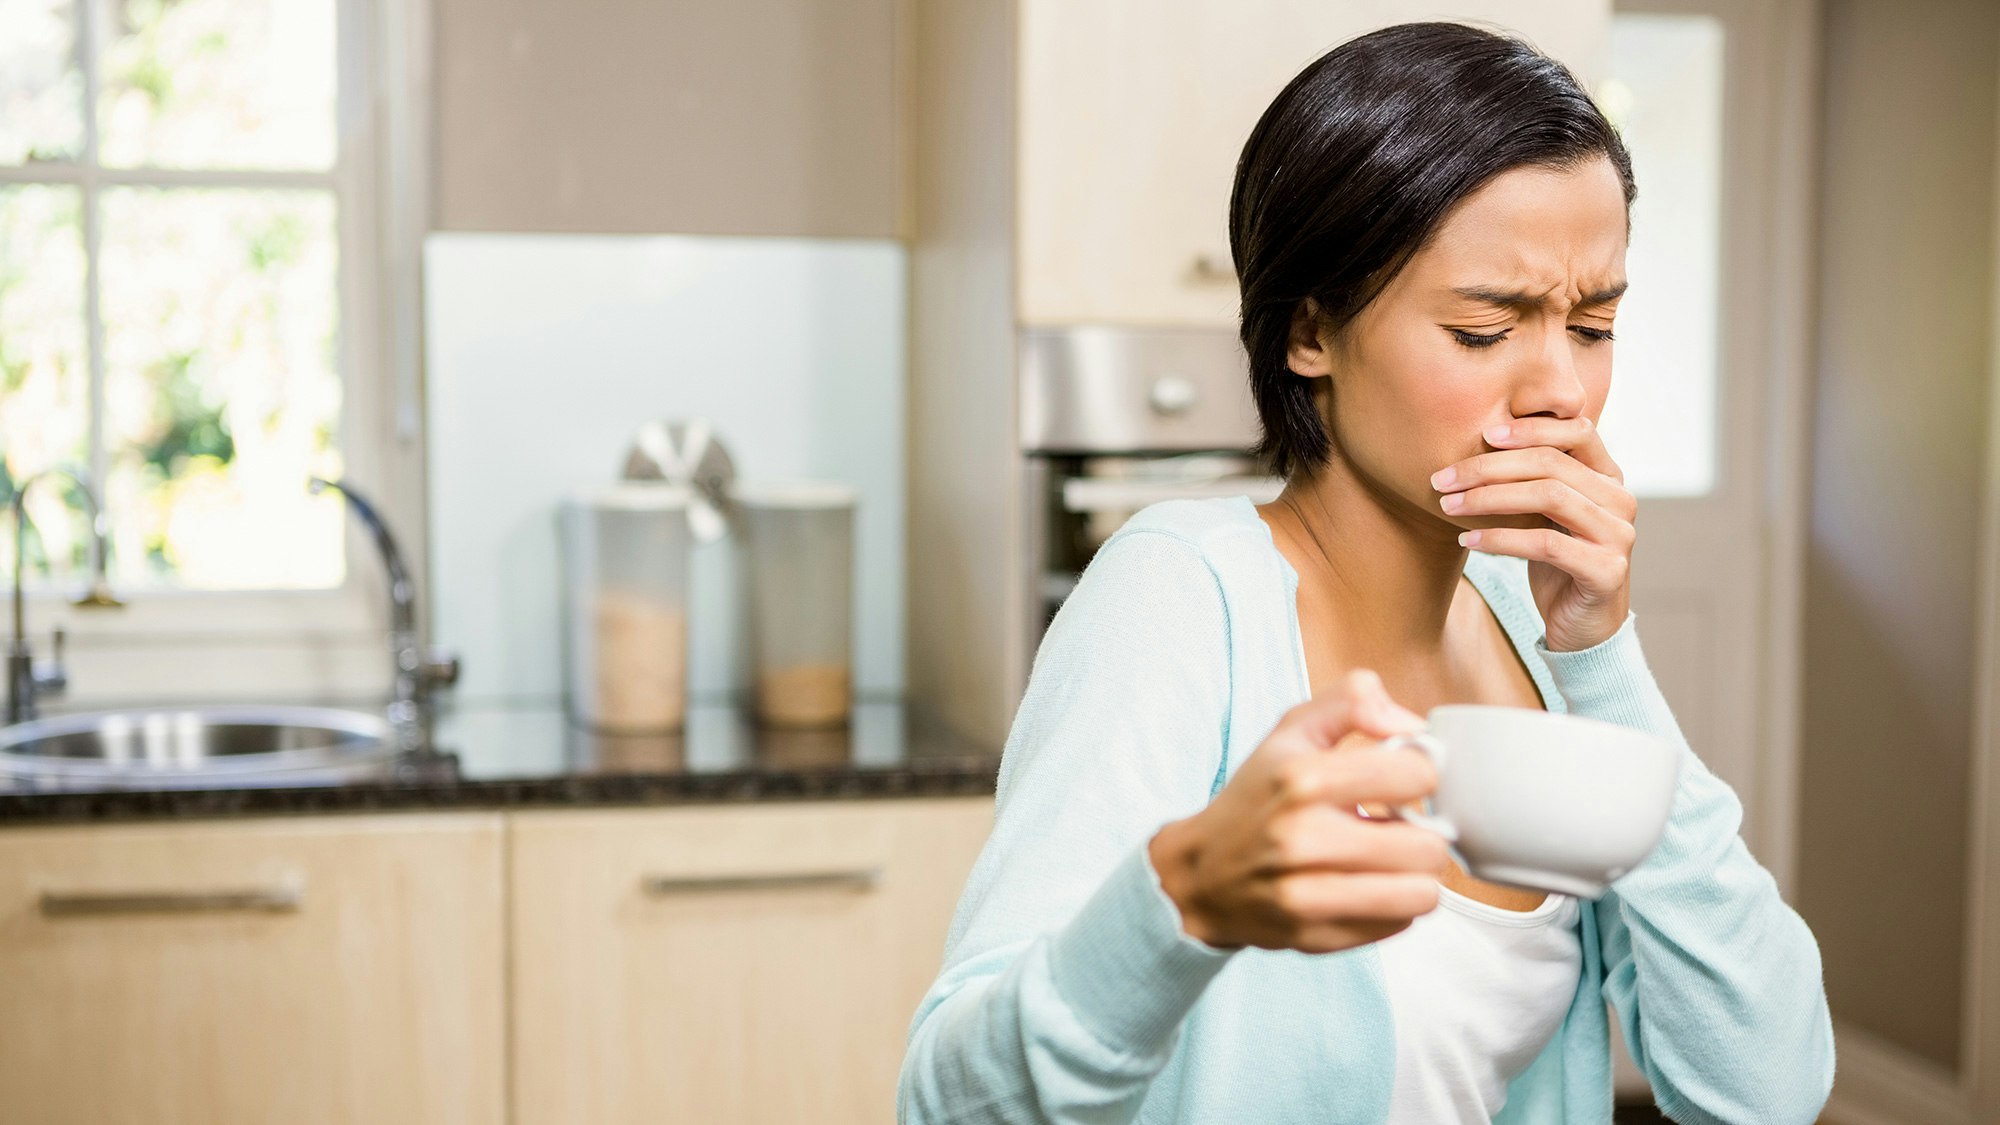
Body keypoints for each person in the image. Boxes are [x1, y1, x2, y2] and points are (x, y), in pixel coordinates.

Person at [897, 21, 1834, 1125]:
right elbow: (950, 1105)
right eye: (1483, 330)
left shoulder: (1534, 630)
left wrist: (1604, 659)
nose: (1560, 392)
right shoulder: (1175, 598)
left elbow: (1762, 1090)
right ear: (1309, 332)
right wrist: (1180, 904)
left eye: (1590, 324)